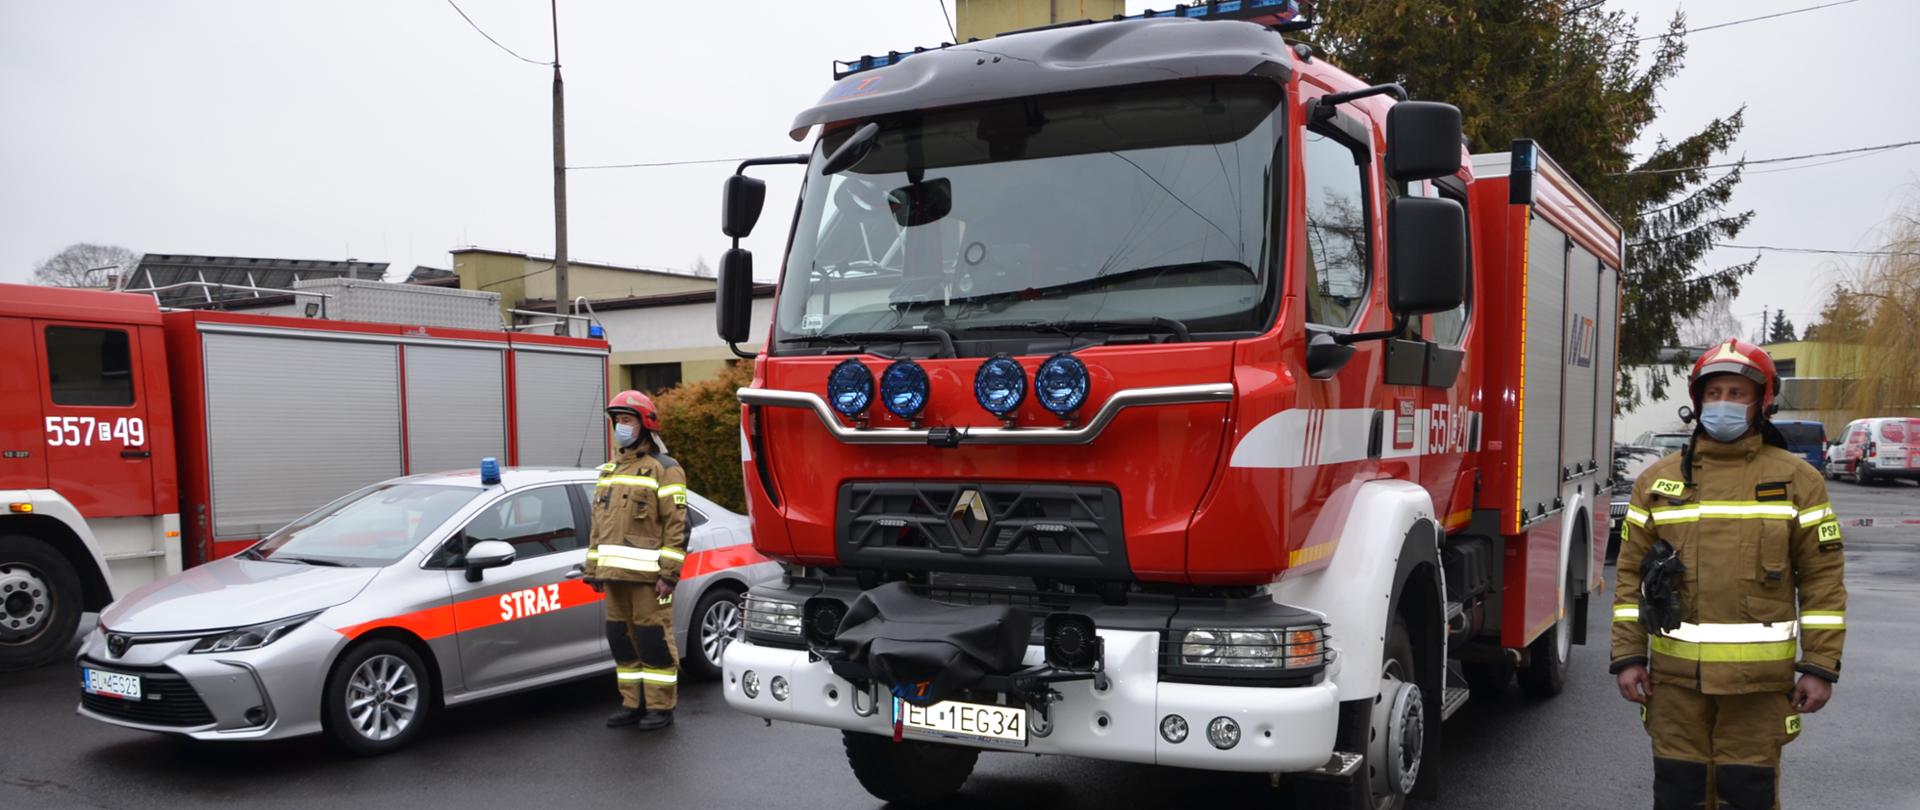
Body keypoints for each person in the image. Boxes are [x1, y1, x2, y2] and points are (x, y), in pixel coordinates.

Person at [1611, 339, 1847, 809]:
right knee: (1679, 791)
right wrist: (1628, 656)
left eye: (1737, 393)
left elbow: (1822, 580)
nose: (1724, 403)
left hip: (1757, 687)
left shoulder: (1799, 480)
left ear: (1763, 400)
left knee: (1747, 793)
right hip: (1675, 684)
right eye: (1714, 391)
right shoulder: (1656, 483)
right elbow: (1630, 576)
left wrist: (1821, 667)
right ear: (1698, 400)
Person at [584, 390, 689, 732]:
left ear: (645, 424)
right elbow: (599, 525)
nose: (620, 428)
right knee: (622, 640)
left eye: (626, 421)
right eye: (616, 422)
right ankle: (633, 703)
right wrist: (594, 569)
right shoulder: (610, 470)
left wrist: (669, 575)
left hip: (649, 579)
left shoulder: (666, 469)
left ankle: (660, 707)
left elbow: (677, 525)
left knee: (652, 640)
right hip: (614, 576)